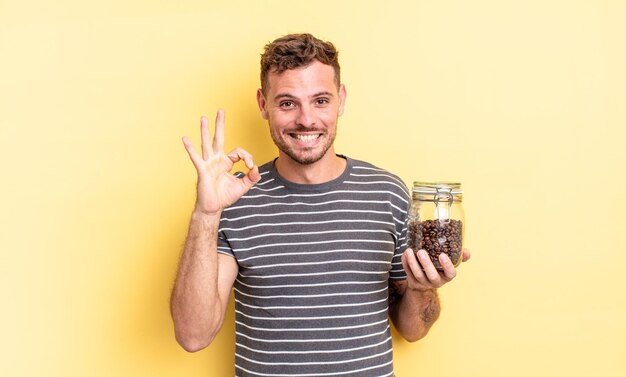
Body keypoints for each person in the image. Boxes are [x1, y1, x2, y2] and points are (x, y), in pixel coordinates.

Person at [170, 33, 470, 376]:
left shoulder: (388, 194)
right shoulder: (234, 200)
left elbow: (413, 330)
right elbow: (193, 336)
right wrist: (206, 214)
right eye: (287, 103)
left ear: (340, 99)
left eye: (320, 101)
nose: (306, 120)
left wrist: (422, 289)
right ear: (263, 104)